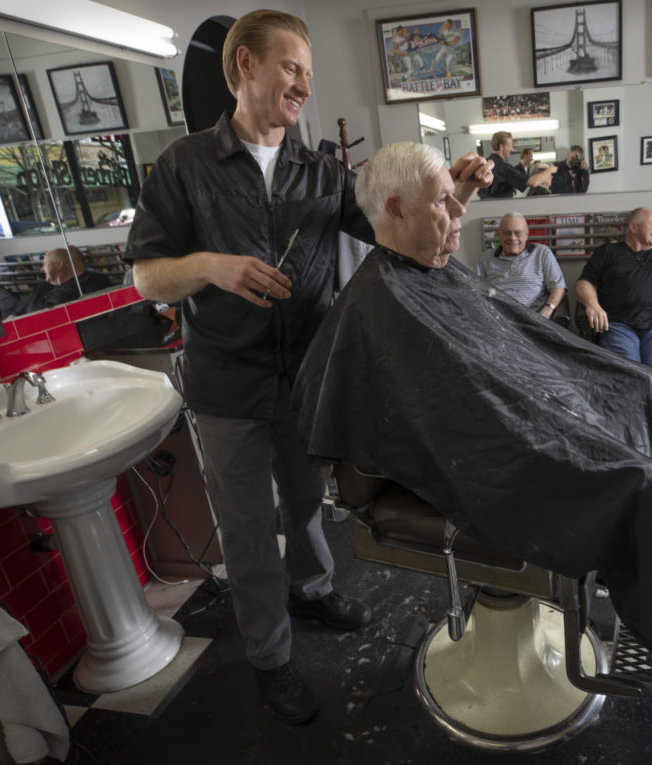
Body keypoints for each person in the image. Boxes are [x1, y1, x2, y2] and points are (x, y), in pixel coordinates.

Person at [292, 142, 652, 671]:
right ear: (394, 209)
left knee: (646, 390)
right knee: (629, 475)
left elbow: (500, 361)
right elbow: (447, 412)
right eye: (445, 201)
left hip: (518, 408)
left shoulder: (425, 272)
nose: (461, 211)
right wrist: (554, 412)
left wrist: (559, 394)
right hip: (485, 453)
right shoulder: (383, 303)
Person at [126, 9, 492, 725]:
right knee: (249, 528)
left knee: (304, 499)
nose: (302, 84)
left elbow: (408, 238)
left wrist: (461, 193)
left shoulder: (323, 171)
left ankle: (315, 589)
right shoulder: (184, 168)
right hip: (225, 382)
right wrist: (211, 267)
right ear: (246, 66)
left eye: (308, 74)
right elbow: (145, 277)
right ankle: (271, 656)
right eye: (291, 67)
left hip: (305, 376)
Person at [576, 208, 652, 389]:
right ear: (633, 227)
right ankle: (630, 415)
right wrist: (592, 305)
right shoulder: (607, 252)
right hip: (618, 325)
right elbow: (584, 283)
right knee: (628, 370)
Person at [474, 212, 565, 319]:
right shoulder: (485, 258)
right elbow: (474, 288)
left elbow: (558, 286)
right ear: (498, 234)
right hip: (497, 318)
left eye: (518, 233)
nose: (512, 238)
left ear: (526, 234)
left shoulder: (541, 252)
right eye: (507, 233)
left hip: (533, 318)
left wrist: (548, 309)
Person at [15, 246, 111, 315]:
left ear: (59, 265)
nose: (42, 269)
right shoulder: (44, 287)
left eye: (45, 264)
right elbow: (18, 312)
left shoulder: (92, 281)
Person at [479, 131, 555, 198]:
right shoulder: (505, 168)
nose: (512, 149)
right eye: (510, 146)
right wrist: (550, 170)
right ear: (501, 147)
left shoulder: (482, 165)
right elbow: (533, 182)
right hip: (502, 208)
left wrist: (509, 186)